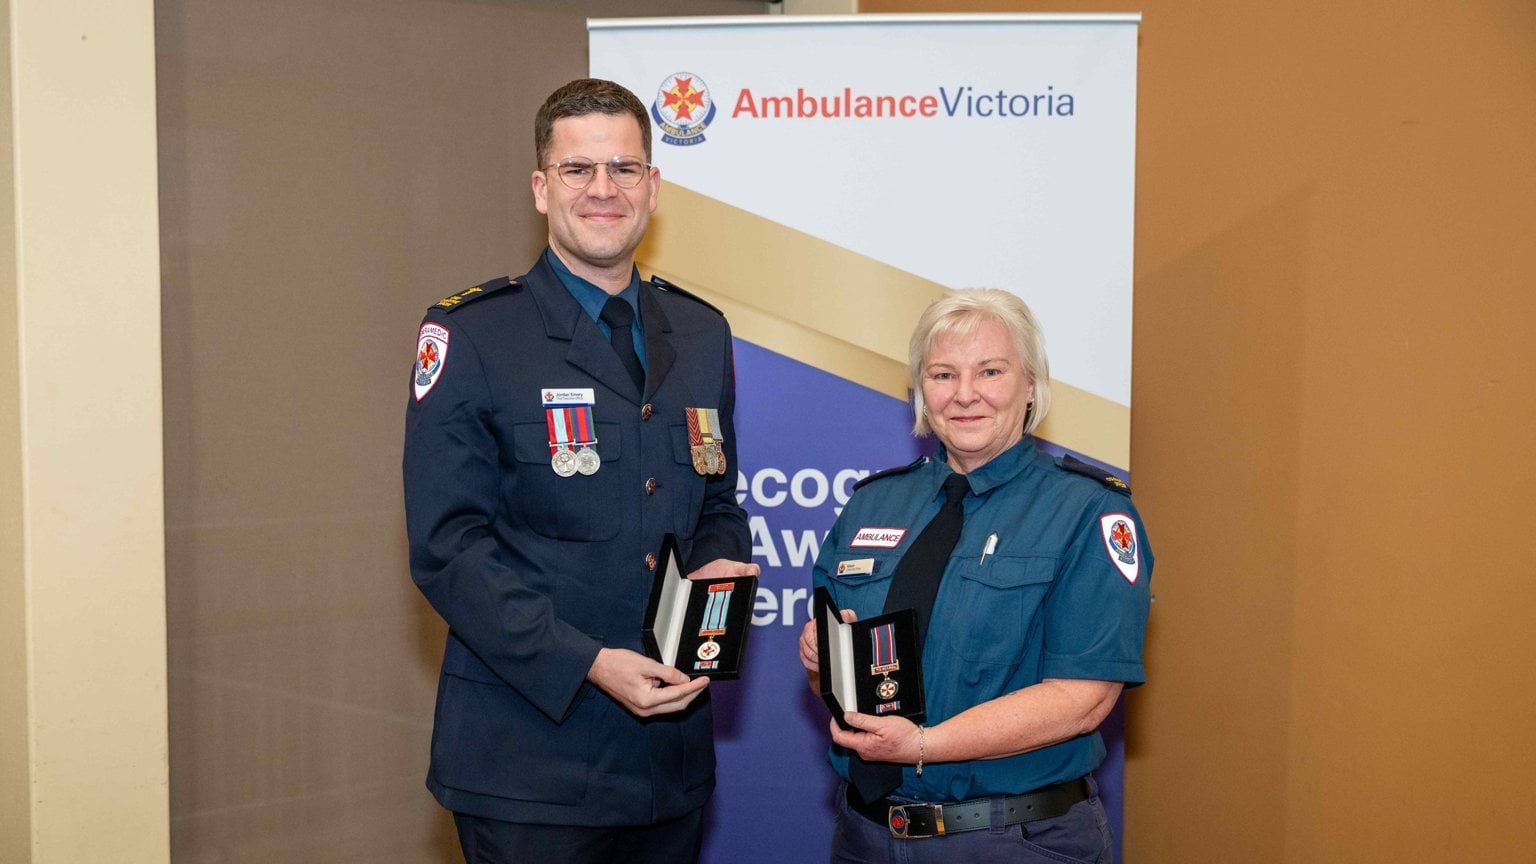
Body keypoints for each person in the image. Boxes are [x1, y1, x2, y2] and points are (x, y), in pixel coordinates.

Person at [403, 78, 755, 864]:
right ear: (540, 187)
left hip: (670, 763)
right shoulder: (473, 336)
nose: (603, 190)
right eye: (578, 170)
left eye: (625, 169)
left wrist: (719, 566)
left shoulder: (701, 333)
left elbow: (717, 500)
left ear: (653, 186)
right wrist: (588, 662)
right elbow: (448, 547)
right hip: (529, 763)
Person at [798, 289, 1152, 863]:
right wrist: (822, 664)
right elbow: (834, 685)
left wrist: (922, 746)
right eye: (942, 374)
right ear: (920, 390)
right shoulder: (872, 505)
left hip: (1013, 841)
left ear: (1031, 385)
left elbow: (1083, 698)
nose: (965, 394)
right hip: (867, 837)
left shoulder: (1087, 512)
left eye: (990, 371)